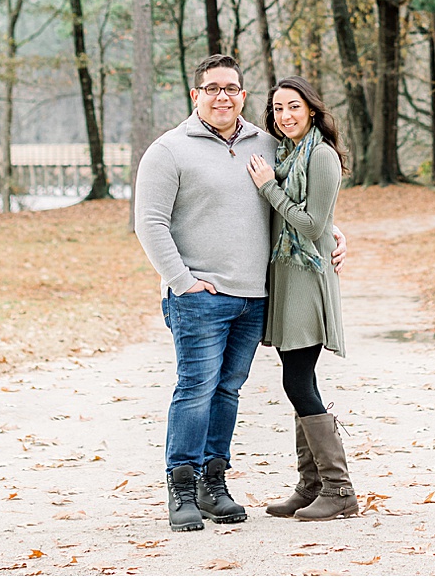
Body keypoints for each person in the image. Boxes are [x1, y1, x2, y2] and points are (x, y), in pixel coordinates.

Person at [131, 54, 346, 533]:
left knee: (228, 391)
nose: (222, 96)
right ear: (196, 95)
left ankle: (214, 484)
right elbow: (149, 223)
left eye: (230, 88)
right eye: (212, 88)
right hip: (200, 296)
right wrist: (183, 281)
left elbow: (297, 199)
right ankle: (182, 489)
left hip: (255, 297)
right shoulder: (168, 150)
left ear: (242, 95)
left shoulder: (265, 143)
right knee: (195, 390)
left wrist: (334, 233)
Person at [246, 76, 356, 521]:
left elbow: (312, 225)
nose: (285, 115)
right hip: (286, 278)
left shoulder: (322, 155)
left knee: (297, 380)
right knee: (299, 380)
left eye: (293, 106)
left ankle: (338, 487)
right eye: (277, 109)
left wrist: (268, 187)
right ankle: (312, 485)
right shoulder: (289, 155)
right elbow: (323, 222)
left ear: (311, 109)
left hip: (307, 279)